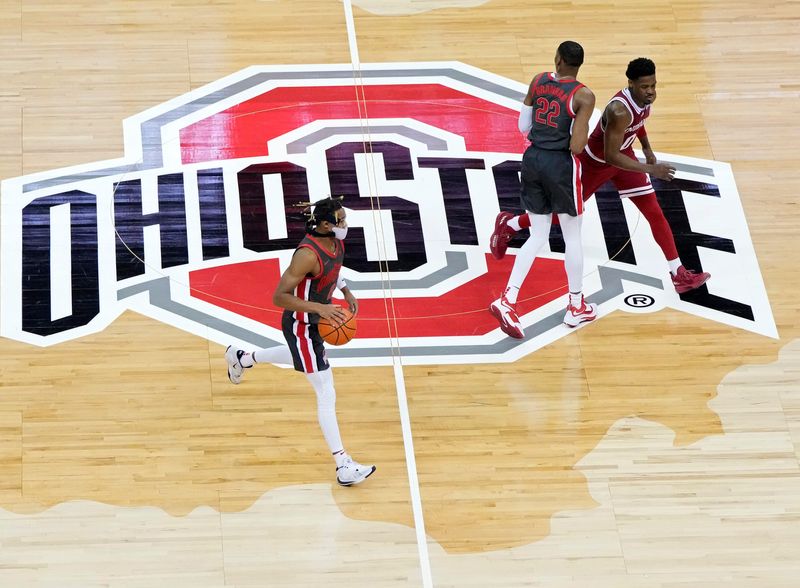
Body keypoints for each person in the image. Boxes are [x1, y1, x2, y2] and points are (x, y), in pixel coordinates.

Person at [491, 57, 711, 294]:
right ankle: (511, 224)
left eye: (653, 86)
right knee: (562, 217)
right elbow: (610, 156)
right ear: (631, 84)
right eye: (645, 87)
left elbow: (639, 124)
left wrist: (646, 149)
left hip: (623, 157)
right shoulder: (618, 110)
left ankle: (678, 273)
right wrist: (651, 169)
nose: (650, 92)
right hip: (596, 164)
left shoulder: (644, 100)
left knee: (655, 213)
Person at [224, 196, 376, 487]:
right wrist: (321, 308)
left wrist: (346, 291)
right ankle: (343, 465)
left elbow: (335, 270)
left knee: (301, 361)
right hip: (302, 325)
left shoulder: (335, 241)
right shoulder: (306, 254)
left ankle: (241, 357)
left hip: (318, 322)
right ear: (324, 223)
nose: (345, 224)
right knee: (326, 392)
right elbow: (279, 297)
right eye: (340, 220)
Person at [489, 40, 598, 340]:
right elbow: (577, 146)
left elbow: (523, 126)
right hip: (561, 166)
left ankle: (508, 299)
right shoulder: (584, 95)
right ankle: (576, 305)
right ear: (578, 64)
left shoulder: (538, 80)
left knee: (538, 235)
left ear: (558, 60)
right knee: (572, 236)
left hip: (533, 159)